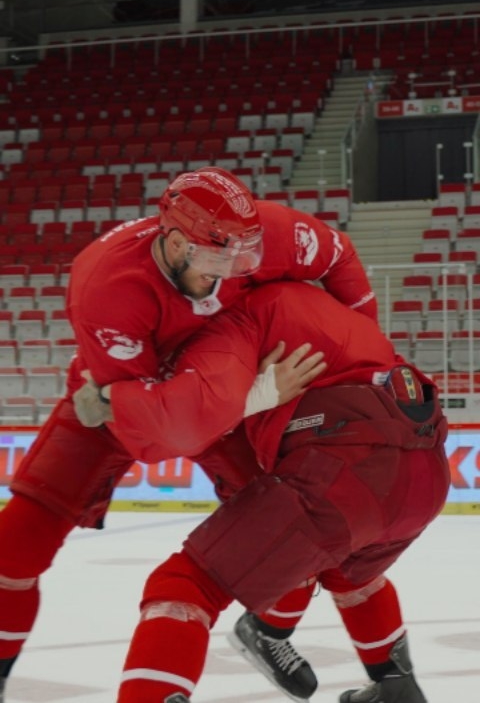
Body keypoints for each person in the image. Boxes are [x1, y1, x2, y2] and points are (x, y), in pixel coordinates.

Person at [0, 166, 377, 702]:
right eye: (214, 261)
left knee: (308, 533)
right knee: (14, 551)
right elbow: (160, 431)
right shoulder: (106, 286)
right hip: (119, 405)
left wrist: (365, 353)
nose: (227, 276)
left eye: (241, 261)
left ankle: (297, 642)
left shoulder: (265, 232)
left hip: (218, 398)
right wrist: (250, 397)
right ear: (175, 241)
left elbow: (338, 255)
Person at [71, 279, 450, 703]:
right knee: (346, 569)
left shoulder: (232, 324)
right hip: (426, 469)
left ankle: (225, 654)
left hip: (349, 471)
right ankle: (395, 687)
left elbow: (181, 429)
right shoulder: (321, 302)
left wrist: (113, 402)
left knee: (183, 584)